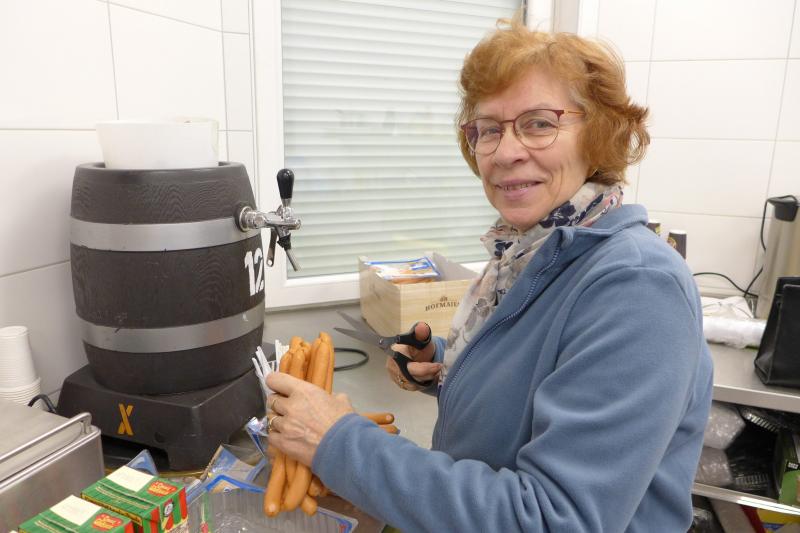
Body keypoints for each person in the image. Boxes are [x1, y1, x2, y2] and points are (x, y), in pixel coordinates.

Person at [265, 17, 713, 532]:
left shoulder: (636, 287)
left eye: (539, 123)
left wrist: (337, 441)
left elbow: (550, 520)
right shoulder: (530, 250)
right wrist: (449, 365)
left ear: (598, 136)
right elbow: (539, 371)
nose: (505, 152)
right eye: (488, 130)